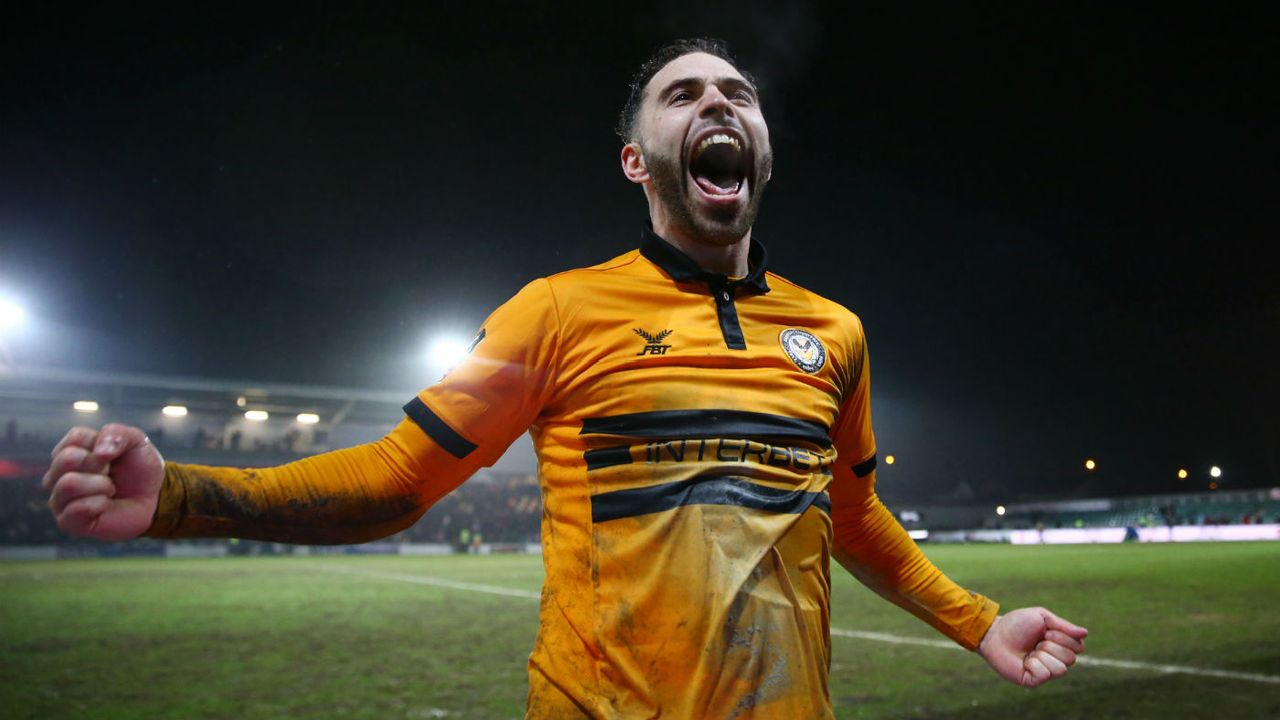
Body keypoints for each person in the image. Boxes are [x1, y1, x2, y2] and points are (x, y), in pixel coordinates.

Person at [41, 38, 1087, 719]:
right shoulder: (555, 310)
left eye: (738, 95)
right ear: (637, 160)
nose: (716, 103)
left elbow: (854, 517)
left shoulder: (834, 333)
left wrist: (976, 621)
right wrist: (182, 493)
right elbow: (400, 478)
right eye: (683, 95)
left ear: (762, 149)